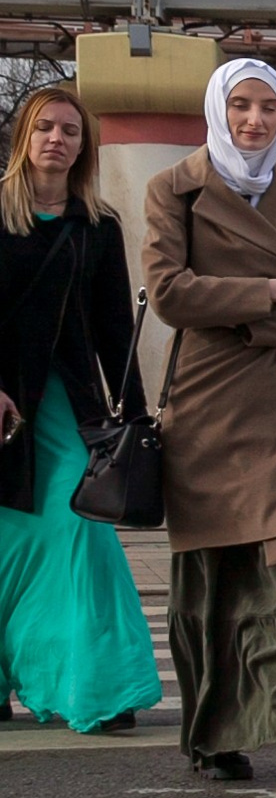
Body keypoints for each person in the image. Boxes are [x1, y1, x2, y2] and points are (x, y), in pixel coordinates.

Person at [144, 58, 276, 788]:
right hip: (204, 408)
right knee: (211, 579)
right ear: (218, 110)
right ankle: (214, 736)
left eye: (268, 106)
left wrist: (230, 311)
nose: (254, 121)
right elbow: (170, 293)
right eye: (240, 106)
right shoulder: (173, 188)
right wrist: (268, 290)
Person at [0, 82, 162, 734]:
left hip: (66, 406)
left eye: (70, 130)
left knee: (80, 528)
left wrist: (138, 420)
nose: (57, 140)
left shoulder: (96, 227)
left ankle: (101, 683)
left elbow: (115, 331)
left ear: (84, 147)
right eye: (45, 128)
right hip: (4, 405)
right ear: (23, 138)